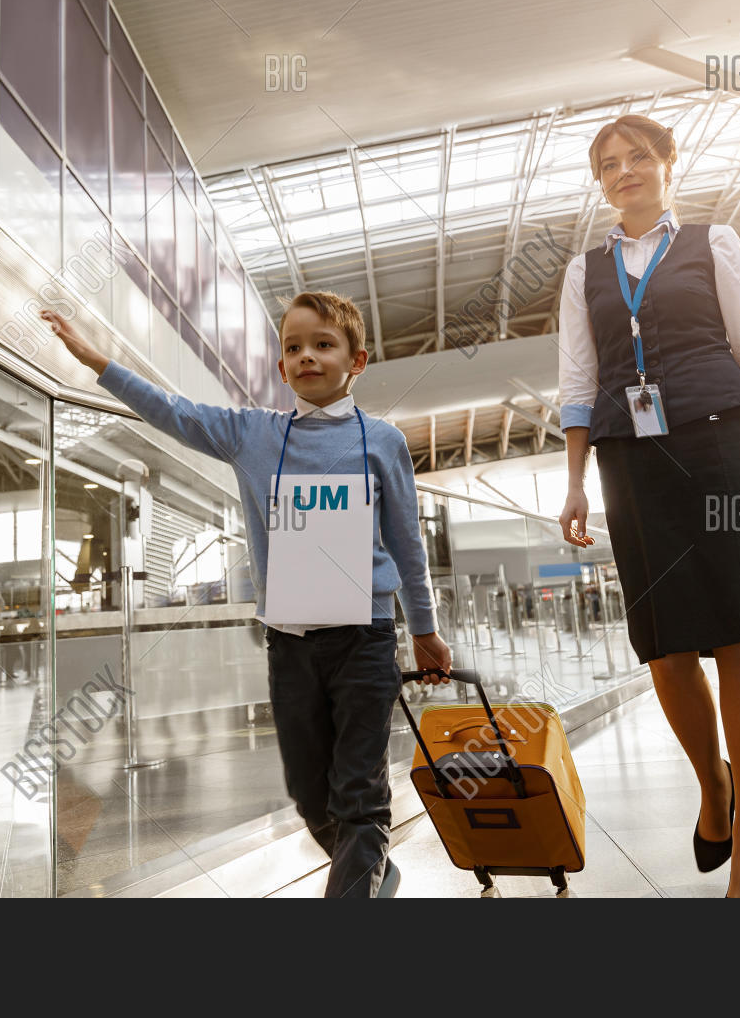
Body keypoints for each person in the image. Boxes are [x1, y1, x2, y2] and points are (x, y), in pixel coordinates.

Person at [41, 290, 450, 898]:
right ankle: (371, 868)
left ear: (356, 361)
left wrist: (424, 628)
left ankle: (359, 877)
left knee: (359, 792)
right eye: (293, 348)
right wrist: (96, 362)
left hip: (365, 640)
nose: (306, 356)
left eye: (323, 344)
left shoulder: (382, 441)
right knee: (313, 795)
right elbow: (169, 410)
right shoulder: (251, 435)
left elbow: (406, 544)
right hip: (290, 648)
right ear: (281, 367)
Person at [556, 114, 740, 898]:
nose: (623, 172)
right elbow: (577, 382)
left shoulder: (713, 243)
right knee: (665, 645)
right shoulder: (582, 272)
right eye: (608, 164)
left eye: (637, 158)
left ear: (669, 163)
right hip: (632, 461)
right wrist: (572, 480)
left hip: (722, 445)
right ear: (599, 181)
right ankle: (714, 783)